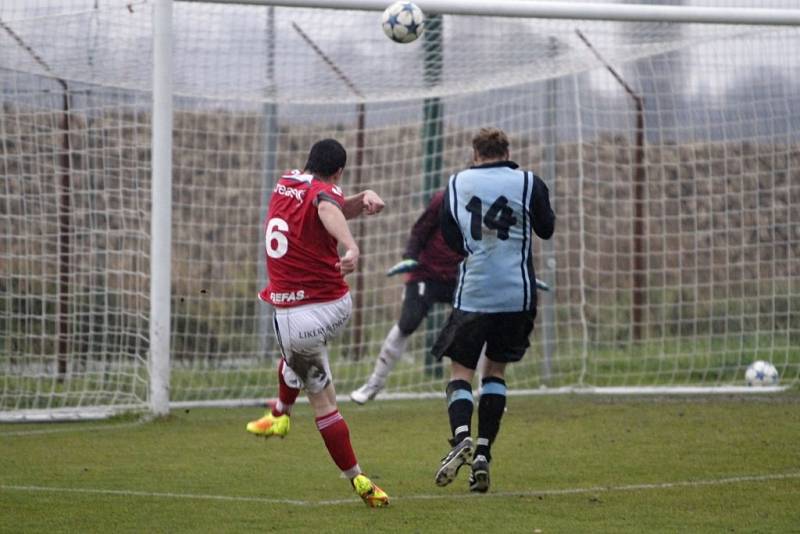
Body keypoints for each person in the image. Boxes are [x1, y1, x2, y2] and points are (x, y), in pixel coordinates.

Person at [245, 138, 389, 508]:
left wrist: (351, 245)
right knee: (297, 359)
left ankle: (358, 479)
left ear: (307, 162)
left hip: (303, 315)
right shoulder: (325, 193)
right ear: (338, 172)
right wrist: (361, 203)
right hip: (333, 306)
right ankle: (280, 414)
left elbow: (327, 207)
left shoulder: (285, 182)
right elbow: (329, 204)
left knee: (324, 401)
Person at [431, 127, 556, 493]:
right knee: (495, 372)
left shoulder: (456, 184)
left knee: (460, 372)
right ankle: (483, 453)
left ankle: (461, 437)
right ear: (507, 151)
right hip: (518, 295)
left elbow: (452, 240)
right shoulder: (530, 182)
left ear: (475, 153)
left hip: (475, 294)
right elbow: (547, 229)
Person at [349, 189, 464, 405]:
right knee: (408, 322)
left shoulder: (487, 202)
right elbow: (420, 230)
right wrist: (410, 257)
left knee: (478, 323)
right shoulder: (444, 198)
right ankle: (374, 383)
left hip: (460, 275)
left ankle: (485, 389)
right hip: (426, 273)